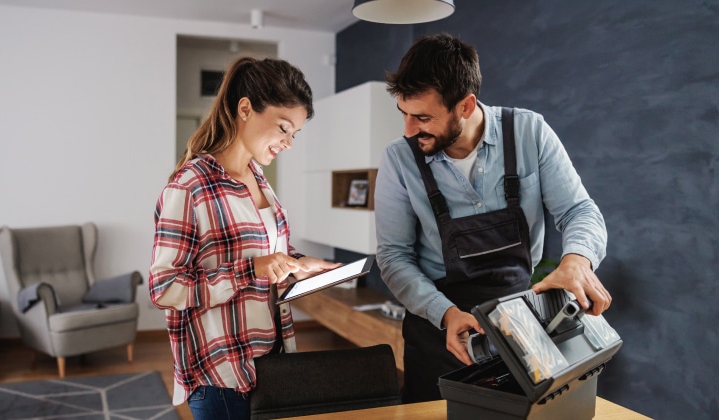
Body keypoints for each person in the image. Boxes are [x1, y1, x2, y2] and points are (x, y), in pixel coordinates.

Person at [374, 33, 612, 403]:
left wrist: (578, 260)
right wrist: (446, 314)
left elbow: (579, 211)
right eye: (403, 113)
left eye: (422, 117)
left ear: (465, 106)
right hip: (439, 329)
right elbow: (393, 256)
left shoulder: (530, 133)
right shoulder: (399, 159)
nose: (408, 130)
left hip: (520, 325)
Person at [148, 56, 340, 420]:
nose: (288, 143)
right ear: (246, 109)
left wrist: (297, 264)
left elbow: (262, 253)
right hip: (221, 376)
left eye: (294, 134)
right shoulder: (190, 187)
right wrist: (251, 269)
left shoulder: (259, 178)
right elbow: (165, 288)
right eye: (283, 128)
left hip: (269, 361)